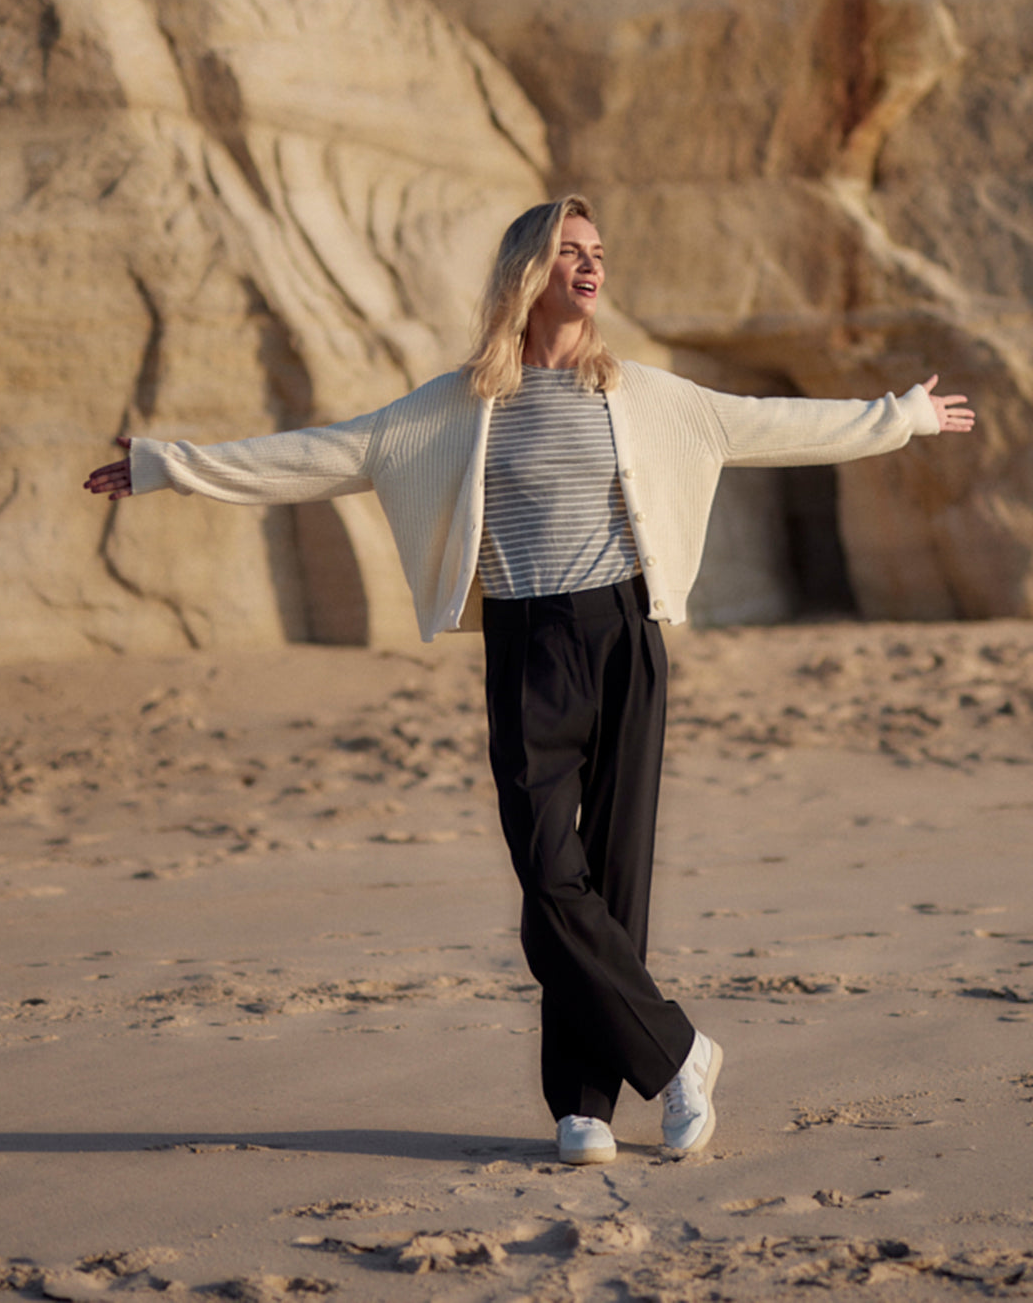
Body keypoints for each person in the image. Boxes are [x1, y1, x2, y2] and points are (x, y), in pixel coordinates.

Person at [85, 194, 975, 1166]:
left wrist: (903, 416)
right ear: (528, 272)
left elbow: (767, 423)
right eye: (570, 251)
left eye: (599, 251)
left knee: (616, 872)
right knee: (551, 879)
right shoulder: (459, 406)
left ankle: (585, 1105)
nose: (591, 266)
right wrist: (173, 466)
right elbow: (324, 454)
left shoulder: (639, 394)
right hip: (525, 646)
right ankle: (679, 1055)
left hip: (625, 636)